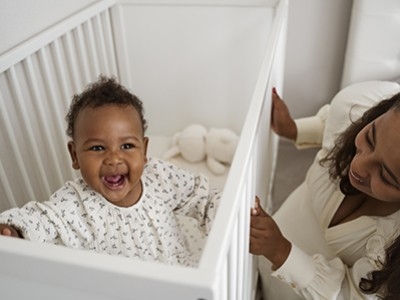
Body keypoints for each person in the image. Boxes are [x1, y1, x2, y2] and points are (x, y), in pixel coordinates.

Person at [0, 75, 220, 268]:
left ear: (144, 150)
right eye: (97, 148)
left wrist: (239, 224)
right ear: (75, 156)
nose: (114, 158)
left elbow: (204, 196)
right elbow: (43, 220)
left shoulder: (159, 176)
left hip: (181, 273)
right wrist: (14, 231)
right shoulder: (76, 203)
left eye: (127, 146)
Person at [250, 81, 400, 299]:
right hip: (259, 271)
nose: (358, 167)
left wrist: (281, 251)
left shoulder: (390, 244)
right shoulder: (362, 105)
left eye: (385, 176)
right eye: (369, 137)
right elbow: (338, 124)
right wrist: (294, 129)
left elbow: (352, 295)